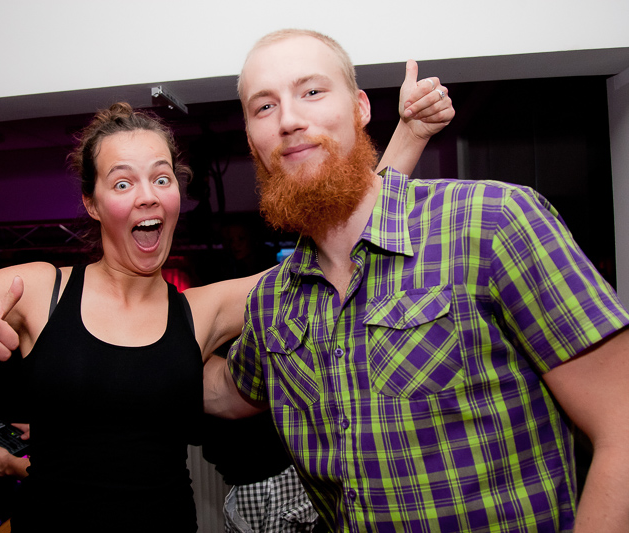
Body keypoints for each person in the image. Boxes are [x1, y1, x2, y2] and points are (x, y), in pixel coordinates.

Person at [0, 73, 452, 529]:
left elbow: (343, 239)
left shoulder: (202, 312)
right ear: (92, 202)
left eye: (161, 178)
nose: (148, 196)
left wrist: (408, 135)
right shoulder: (39, 288)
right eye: (123, 182)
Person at [204, 28, 629, 532]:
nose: (289, 120)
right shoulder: (273, 301)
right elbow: (224, 392)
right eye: (264, 107)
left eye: (312, 91)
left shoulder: (492, 222)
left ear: (360, 108)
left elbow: (621, 425)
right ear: (251, 139)